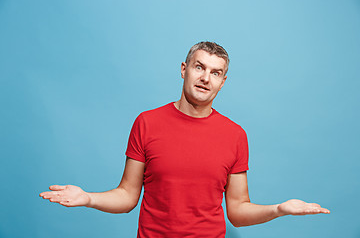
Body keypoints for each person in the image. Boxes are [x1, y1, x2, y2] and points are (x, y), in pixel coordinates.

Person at [40, 41, 330, 237]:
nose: (206, 78)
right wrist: (88, 197)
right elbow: (127, 196)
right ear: (184, 69)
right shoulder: (147, 122)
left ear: (222, 82)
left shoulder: (235, 135)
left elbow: (238, 211)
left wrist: (280, 209)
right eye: (199, 67)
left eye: (216, 73)